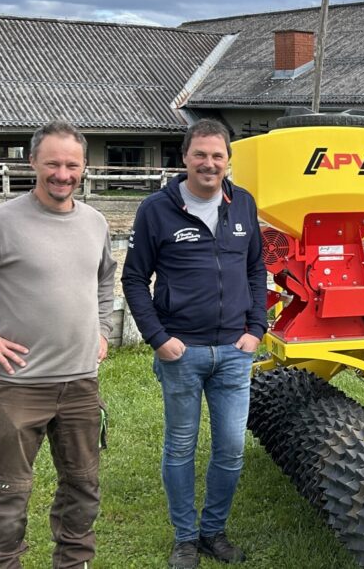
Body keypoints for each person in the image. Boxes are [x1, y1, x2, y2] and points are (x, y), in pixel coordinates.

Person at [0, 121, 116, 569]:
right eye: (52, 163)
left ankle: (73, 562)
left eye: (72, 165)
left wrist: (103, 328)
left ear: (84, 167)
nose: (62, 174)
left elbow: (105, 276)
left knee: (83, 486)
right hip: (16, 386)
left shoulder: (95, 222)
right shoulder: (0, 222)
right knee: (9, 493)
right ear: (33, 163)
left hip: (80, 384)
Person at [122, 118, 267, 569]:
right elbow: (133, 278)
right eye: (200, 154)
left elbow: (256, 270)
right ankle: (186, 537)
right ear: (184, 157)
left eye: (217, 155)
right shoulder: (156, 209)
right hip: (180, 353)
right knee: (181, 446)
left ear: (228, 160)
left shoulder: (243, 205)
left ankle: (214, 532)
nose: (209, 163)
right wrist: (158, 339)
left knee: (231, 448)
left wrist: (255, 329)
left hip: (233, 353)